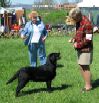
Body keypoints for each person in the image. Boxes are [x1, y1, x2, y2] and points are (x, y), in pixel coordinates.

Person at [68, 7, 93, 92]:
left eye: (74, 18)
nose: (73, 20)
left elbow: (88, 39)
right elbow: (78, 33)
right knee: (81, 66)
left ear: (78, 16)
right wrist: (73, 39)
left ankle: (88, 86)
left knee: (85, 67)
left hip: (86, 49)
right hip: (81, 49)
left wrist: (77, 45)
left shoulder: (87, 23)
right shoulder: (79, 22)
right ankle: (87, 83)